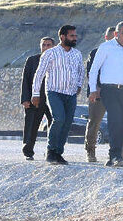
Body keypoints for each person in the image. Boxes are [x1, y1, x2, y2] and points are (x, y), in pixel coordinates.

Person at [30, 25, 88, 165]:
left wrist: (79, 85)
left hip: (71, 94)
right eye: (71, 36)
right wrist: (35, 94)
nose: (75, 38)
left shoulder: (77, 54)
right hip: (54, 92)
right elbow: (39, 74)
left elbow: (81, 71)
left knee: (67, 123)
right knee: (59, 118)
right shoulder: (50, 53)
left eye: (75, 36)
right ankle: (50, 151)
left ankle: (58, 153)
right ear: (62, 37)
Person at [89, 21, 123, 167]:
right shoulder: (105, 47)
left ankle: (116, 155)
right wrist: (93, 89)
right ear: (116, 34)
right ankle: (115, 156)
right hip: (109, 90)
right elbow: (94, 69)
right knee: (115, 121)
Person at [84, 26, 117, 162]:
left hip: (115, 93)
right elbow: (91, 71)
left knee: (118, 122)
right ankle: (90, 151)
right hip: (98, 93)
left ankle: (120, 150)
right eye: (110, 38)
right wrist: (95, 88)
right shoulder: (95, 52)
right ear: (105, 38)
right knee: (94, 122)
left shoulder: (119, 53)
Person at [20, 37, 55, 160]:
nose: (46, 47)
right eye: (44, 45)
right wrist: (25, 99)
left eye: (48, 45)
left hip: (52, 98)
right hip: (35, 99)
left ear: (54, 46)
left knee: (55, 124)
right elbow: (26, 80)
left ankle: (51, 150)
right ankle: (28, 151)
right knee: (31, 125)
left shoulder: (58, 60)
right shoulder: (32, 60)